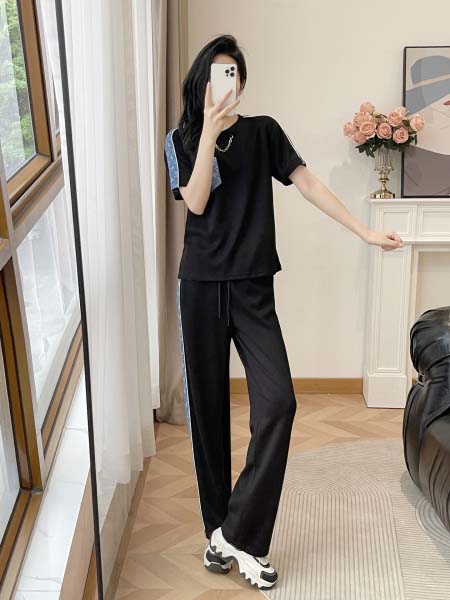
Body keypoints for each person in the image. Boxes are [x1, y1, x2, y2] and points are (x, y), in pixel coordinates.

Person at [164, 34, 403, 591]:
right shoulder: (181, 139)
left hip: (252, 289)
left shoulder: (263, 131)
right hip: (200, 289)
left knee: (278, 403)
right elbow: (195, 201)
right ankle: (217, 534)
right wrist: (207, 135)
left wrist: (365, 231)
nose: (224, 84)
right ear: (201, 84)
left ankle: (239, 533)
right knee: (207, 413)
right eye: (215, 75)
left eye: (232, 75)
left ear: (242, 83)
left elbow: (309, 183)